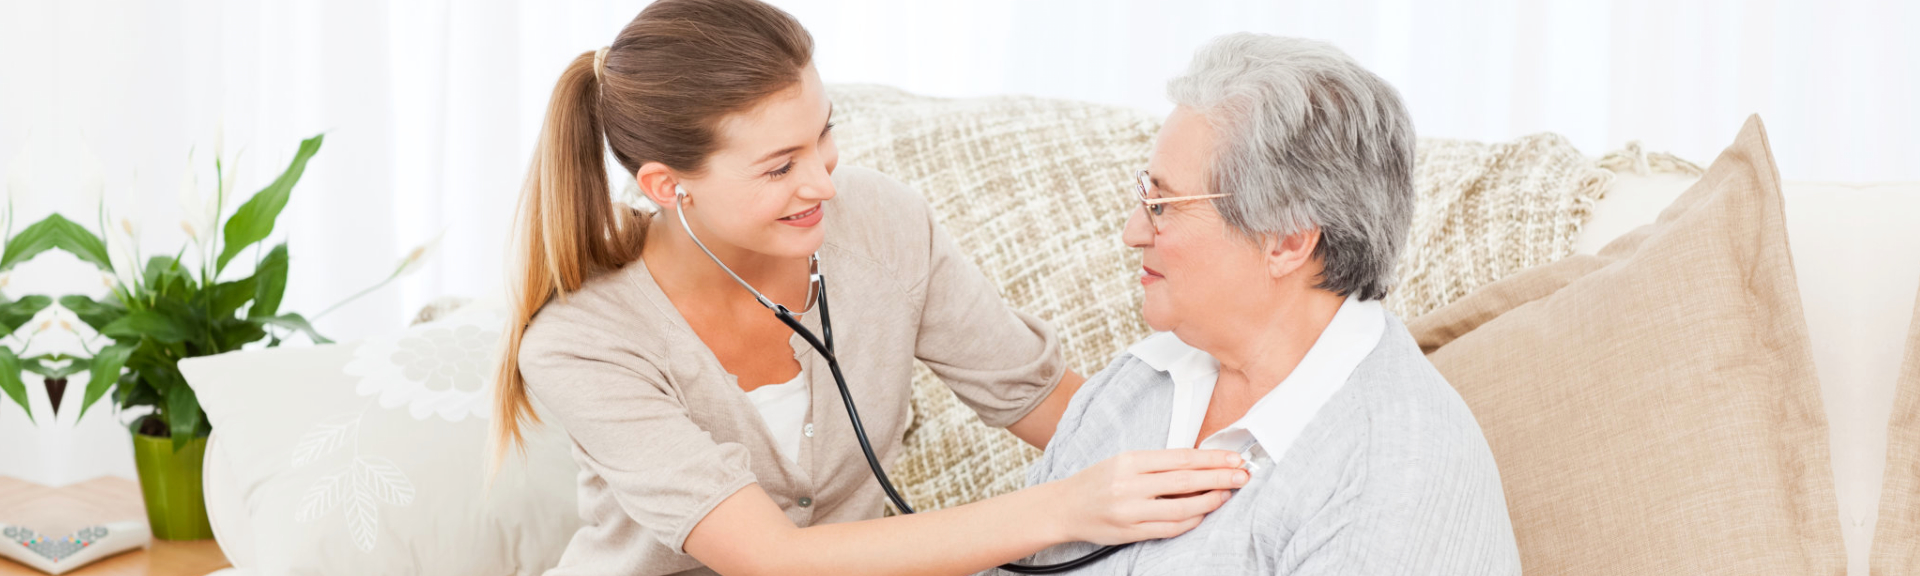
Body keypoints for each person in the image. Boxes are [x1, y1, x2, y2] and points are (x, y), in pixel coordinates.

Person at [490, 1, 1249, 575]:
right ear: (667, 186)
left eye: (824, 132)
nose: (823, 180)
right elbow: (772, 559)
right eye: (779, 166)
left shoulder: (880, 222)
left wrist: (1228, 465)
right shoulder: (580, 343)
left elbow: (1039, 397)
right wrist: (1068, 507)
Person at [993, 33, 1522, 575]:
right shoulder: (1141, 379)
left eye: (1162, 204)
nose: (1133, 231)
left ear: (1288, 240)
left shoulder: (1394, 469)